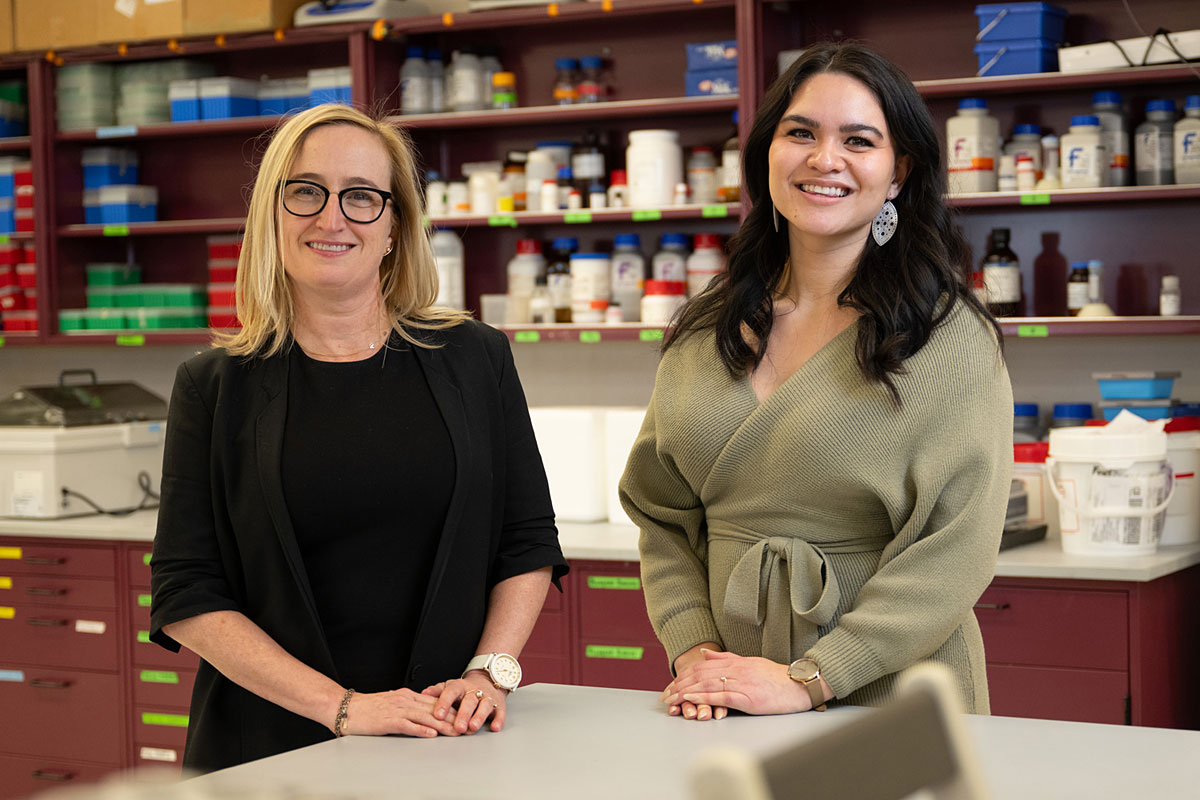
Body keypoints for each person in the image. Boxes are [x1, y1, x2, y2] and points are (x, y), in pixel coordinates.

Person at [150, 104, 568, 772]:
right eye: (306, 191)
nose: (332, 217)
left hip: (447, 737)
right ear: (272, 215)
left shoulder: (474, 357)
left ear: (395, 226)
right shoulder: (214, 384)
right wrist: (343, 707)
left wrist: (489, 675)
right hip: (268, 753)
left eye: (361, 197)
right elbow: (186, 593)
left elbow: (527, 540)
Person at [619, 42, 1012, 723]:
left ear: (898, 173)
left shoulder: (947, 339)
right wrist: (696, 654)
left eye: (858, 140)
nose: (824, 159)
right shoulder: (707, 327)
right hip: (728, 693)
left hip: (895, 693)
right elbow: (663, 514)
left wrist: (810, 679)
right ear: (766, 152)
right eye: (800, 132)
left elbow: (955, 547)